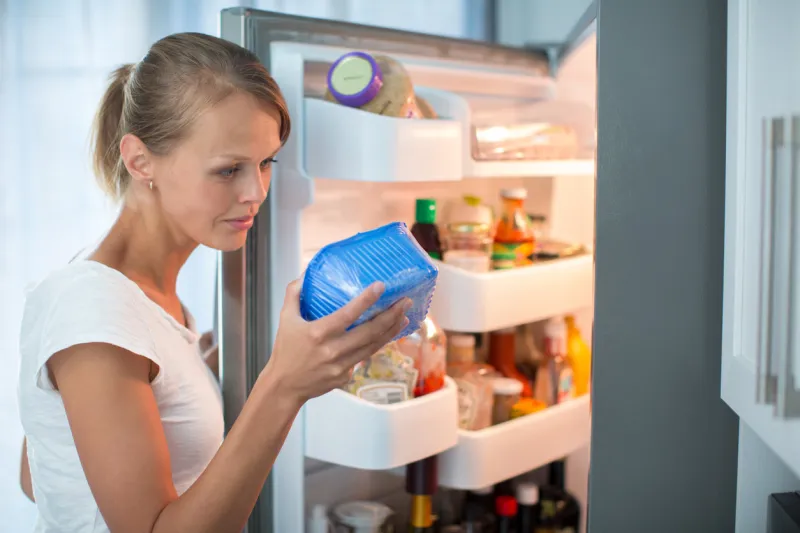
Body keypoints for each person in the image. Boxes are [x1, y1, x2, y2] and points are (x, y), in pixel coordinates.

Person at [17, 32, 410, 533]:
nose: (256, 192)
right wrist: (284, 386)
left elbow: (42, 472)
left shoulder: (140, 297)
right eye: (228, 170)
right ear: (140, 161)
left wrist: (199, 370)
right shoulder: (93, 310)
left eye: (266, 162)